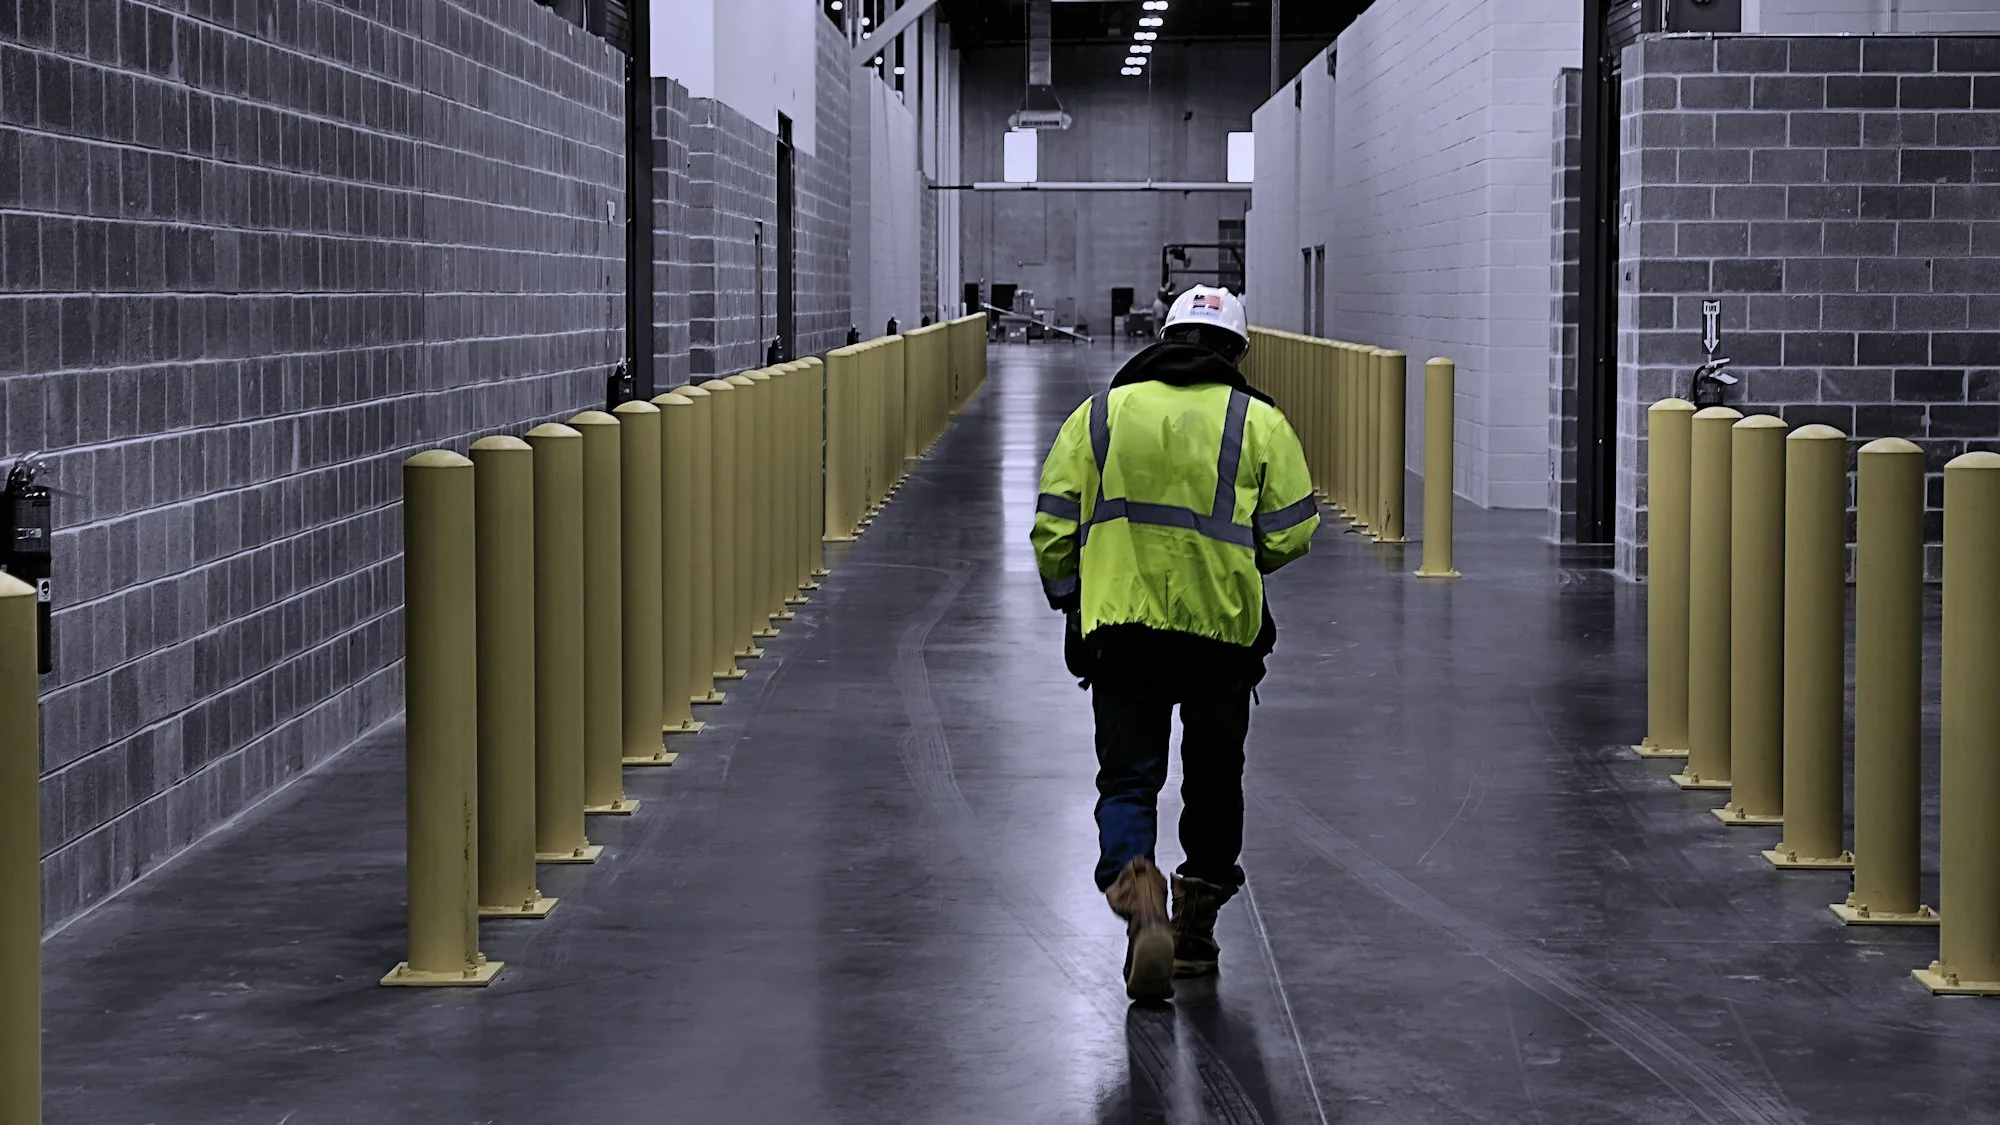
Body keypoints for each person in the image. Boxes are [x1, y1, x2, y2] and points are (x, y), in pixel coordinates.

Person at [1030, 285, 1319, 1002]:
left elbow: (1053, 529)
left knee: (1128, 777)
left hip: (1122, 633)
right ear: (1235, 352)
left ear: (1162, 338)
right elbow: (1291, 530)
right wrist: (1236, 565)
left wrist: (1073, 597)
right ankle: (1193, 932)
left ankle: (1140, 893)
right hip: (1222, 633)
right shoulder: (1259, 421)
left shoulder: (1098, 416)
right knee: (1215, 776)